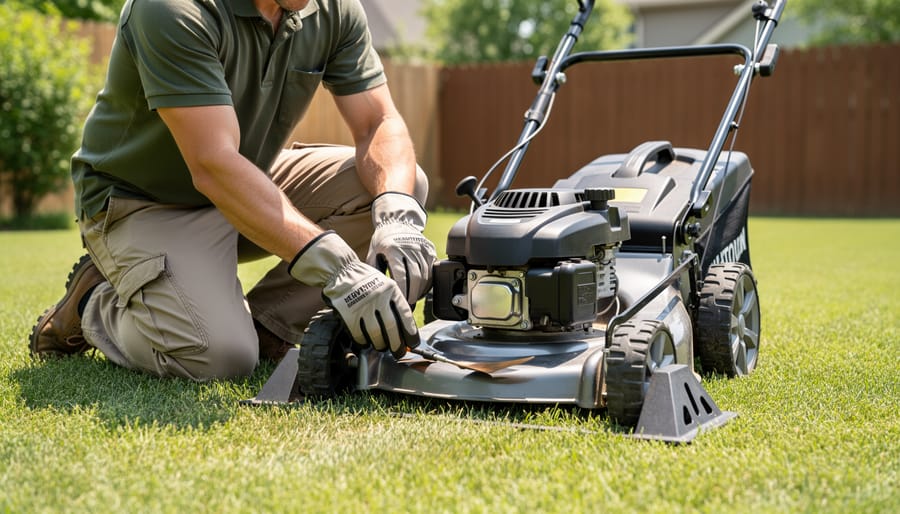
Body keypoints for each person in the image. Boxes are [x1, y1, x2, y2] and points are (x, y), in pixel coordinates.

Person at [29, 0, 437, 381]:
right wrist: (341, 270)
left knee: (397, 183)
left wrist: (398, 215)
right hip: (141, 202)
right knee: (218, 356)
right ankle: (93, 304)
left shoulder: (332, 8)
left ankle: (266, 328)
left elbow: (378, 123)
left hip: (247, 175)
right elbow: (212, 164)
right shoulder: (171, 9)